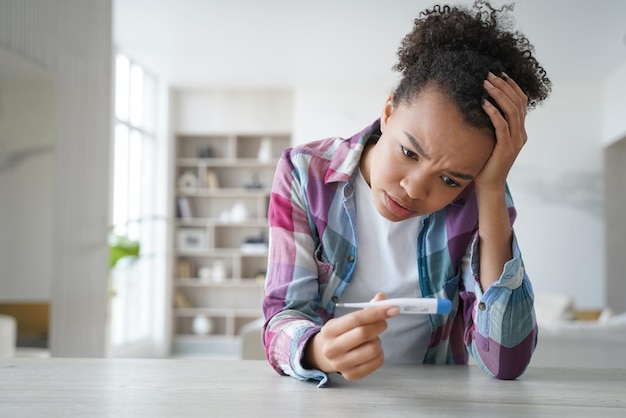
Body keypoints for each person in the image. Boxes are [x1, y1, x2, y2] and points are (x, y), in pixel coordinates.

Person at [262, 0, 551, 387]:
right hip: (330, 398)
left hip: (437, 404)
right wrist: (315, 350)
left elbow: (505, 361)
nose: (414, 188)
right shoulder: (304, 173)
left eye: (450, 180)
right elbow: (283, 315)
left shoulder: (480, 195)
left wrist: (493, 189)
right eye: (409, 152)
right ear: (388, 111)